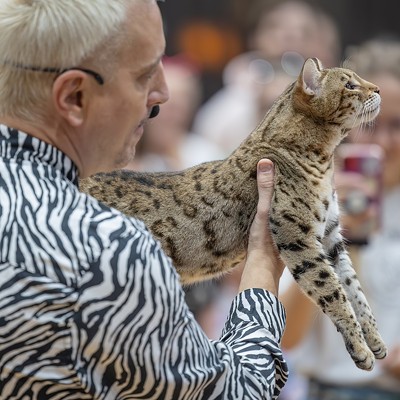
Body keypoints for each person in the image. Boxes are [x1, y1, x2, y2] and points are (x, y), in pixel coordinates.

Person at [0, 1, 288, 399]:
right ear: (74, 97)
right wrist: (263, 265)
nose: (163, 94)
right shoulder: (105, 247)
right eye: (143, 75)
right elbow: (236, 392)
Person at [280, 37, 400, 400]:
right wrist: (327, 236)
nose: (381, 142)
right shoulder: (310, 198)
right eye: (368, 123)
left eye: (396, 125)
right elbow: (285, 337)